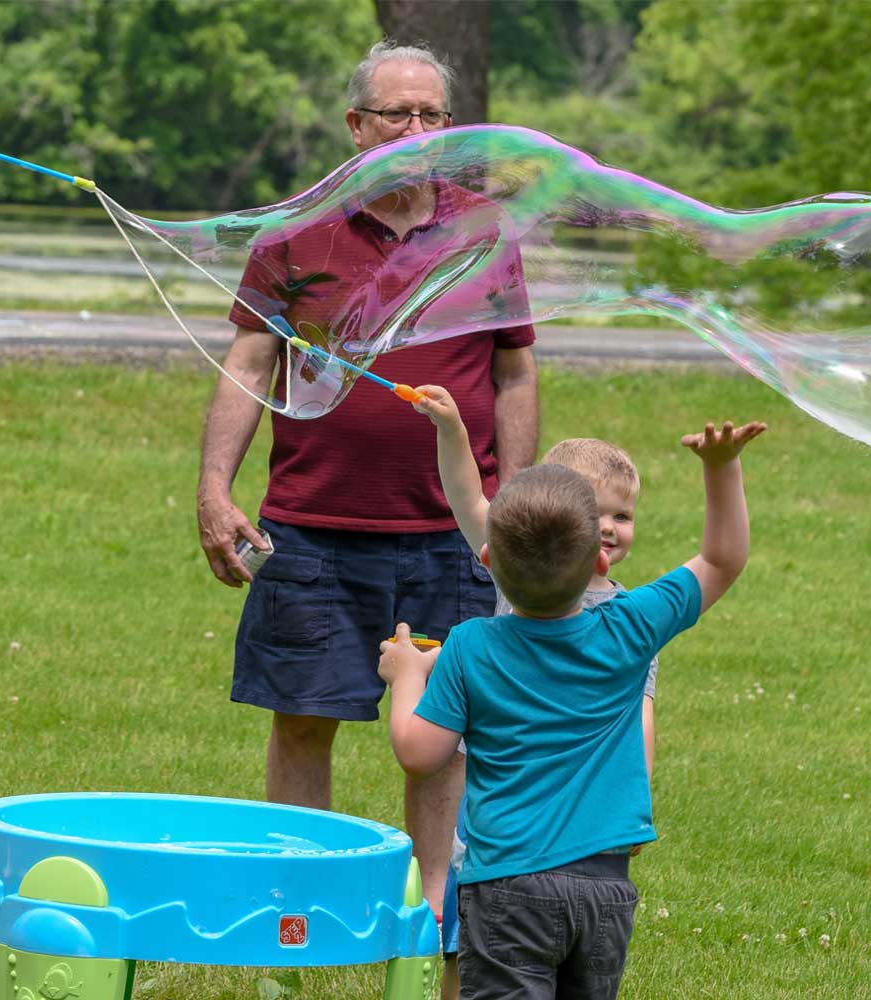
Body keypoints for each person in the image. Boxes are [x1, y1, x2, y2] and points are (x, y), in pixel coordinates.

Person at [195, 39, 539, 918]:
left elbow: (513, 373)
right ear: (357, 126)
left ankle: (431, 918)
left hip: (452, 533)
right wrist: (213, 488)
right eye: (397, 114)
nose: (416, 131)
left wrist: (513, 508)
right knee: (303, 717)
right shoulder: (295, 234)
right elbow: (249, 359)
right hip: (310, 525)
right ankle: (296, 911)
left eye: (432, 116)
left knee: (444, 734)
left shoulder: (483, 231)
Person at [379, 414, 766, 1000]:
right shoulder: (634, 626)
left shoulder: (470, 645)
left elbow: (418, 753)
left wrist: (408, 676)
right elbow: (722, 559)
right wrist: (721, 468)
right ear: (600, 562)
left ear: (487, 558)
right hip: (603, 882)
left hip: (505, 885)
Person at [411, 384, 660, 997]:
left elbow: (641, 722)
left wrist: (630, 814)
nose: (607, 528)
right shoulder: (521, 564)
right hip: (503, 805)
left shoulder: (632, 621)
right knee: (471, 933)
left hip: (581, 827)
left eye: (622, 516)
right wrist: (453, 434)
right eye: (593, 512)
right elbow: (469, 498)